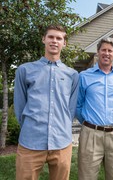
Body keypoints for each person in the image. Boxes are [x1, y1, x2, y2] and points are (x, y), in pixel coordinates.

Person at [14, 24, 79, 180]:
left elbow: (70, 109)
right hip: (30, 141)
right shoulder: (25, 70)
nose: (54, 41)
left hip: (61, 143)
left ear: (65, 43)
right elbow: (19, 106)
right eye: (51, 37)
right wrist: (30, 127)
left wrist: (62, 126)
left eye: (59, 38)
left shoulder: (72, 75)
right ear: (43, 39)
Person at [76, 37, 113, 180]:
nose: (107, 53)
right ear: (98, 52)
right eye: (103, 50)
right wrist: (88, 123)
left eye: (110, 51)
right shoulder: (84, 76)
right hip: (91, 134)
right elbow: (78, 105)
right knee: (86, 176)